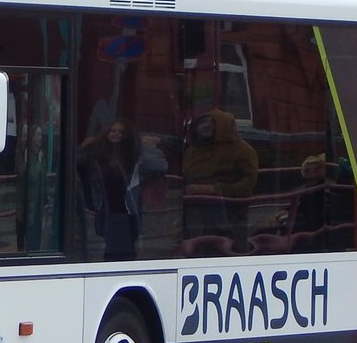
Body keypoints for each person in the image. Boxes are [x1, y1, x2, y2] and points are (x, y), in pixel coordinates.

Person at [78, 118, 166, 261]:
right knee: (110, 253)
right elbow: (77, 162)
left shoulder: (134, 155)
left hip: (128, 213)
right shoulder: (97, 154)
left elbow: (159, 167)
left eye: (121, 132)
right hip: (105, 211)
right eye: (113, 131)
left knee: (127, 253)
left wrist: (148, 147)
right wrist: (85, 146)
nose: (116, 134)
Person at [182, 109, 258, 250]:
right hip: (193, 207)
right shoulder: (193, 150)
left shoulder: (243, 150)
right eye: (202, 122)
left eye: (212, 122)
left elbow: (249, 182)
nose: (205, 126)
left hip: (228, 209)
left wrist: (214, 190)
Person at [15, 124, 47, 251]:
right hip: (26, 209)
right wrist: (37, 163)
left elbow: (43, 181)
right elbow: (29, 176)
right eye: (38, 135)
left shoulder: (41, 155)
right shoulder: (22, 155)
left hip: (38, 209)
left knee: (36, 244)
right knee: (24, 245)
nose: (40, 138)